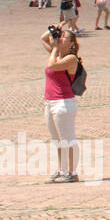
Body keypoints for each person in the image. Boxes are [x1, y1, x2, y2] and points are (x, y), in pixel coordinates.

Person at [41, 22, 81, 183]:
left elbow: (52, 65)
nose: (60, 38)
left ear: (71, 43)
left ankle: (71, 172)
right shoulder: (55, 53)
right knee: (56, 139)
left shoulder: (71, 58)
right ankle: (61, 170)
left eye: (64, 36)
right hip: (50, 102)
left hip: (63, 103)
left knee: (67, 138)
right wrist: (54, 30)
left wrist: (56, 48)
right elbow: (43, 38)